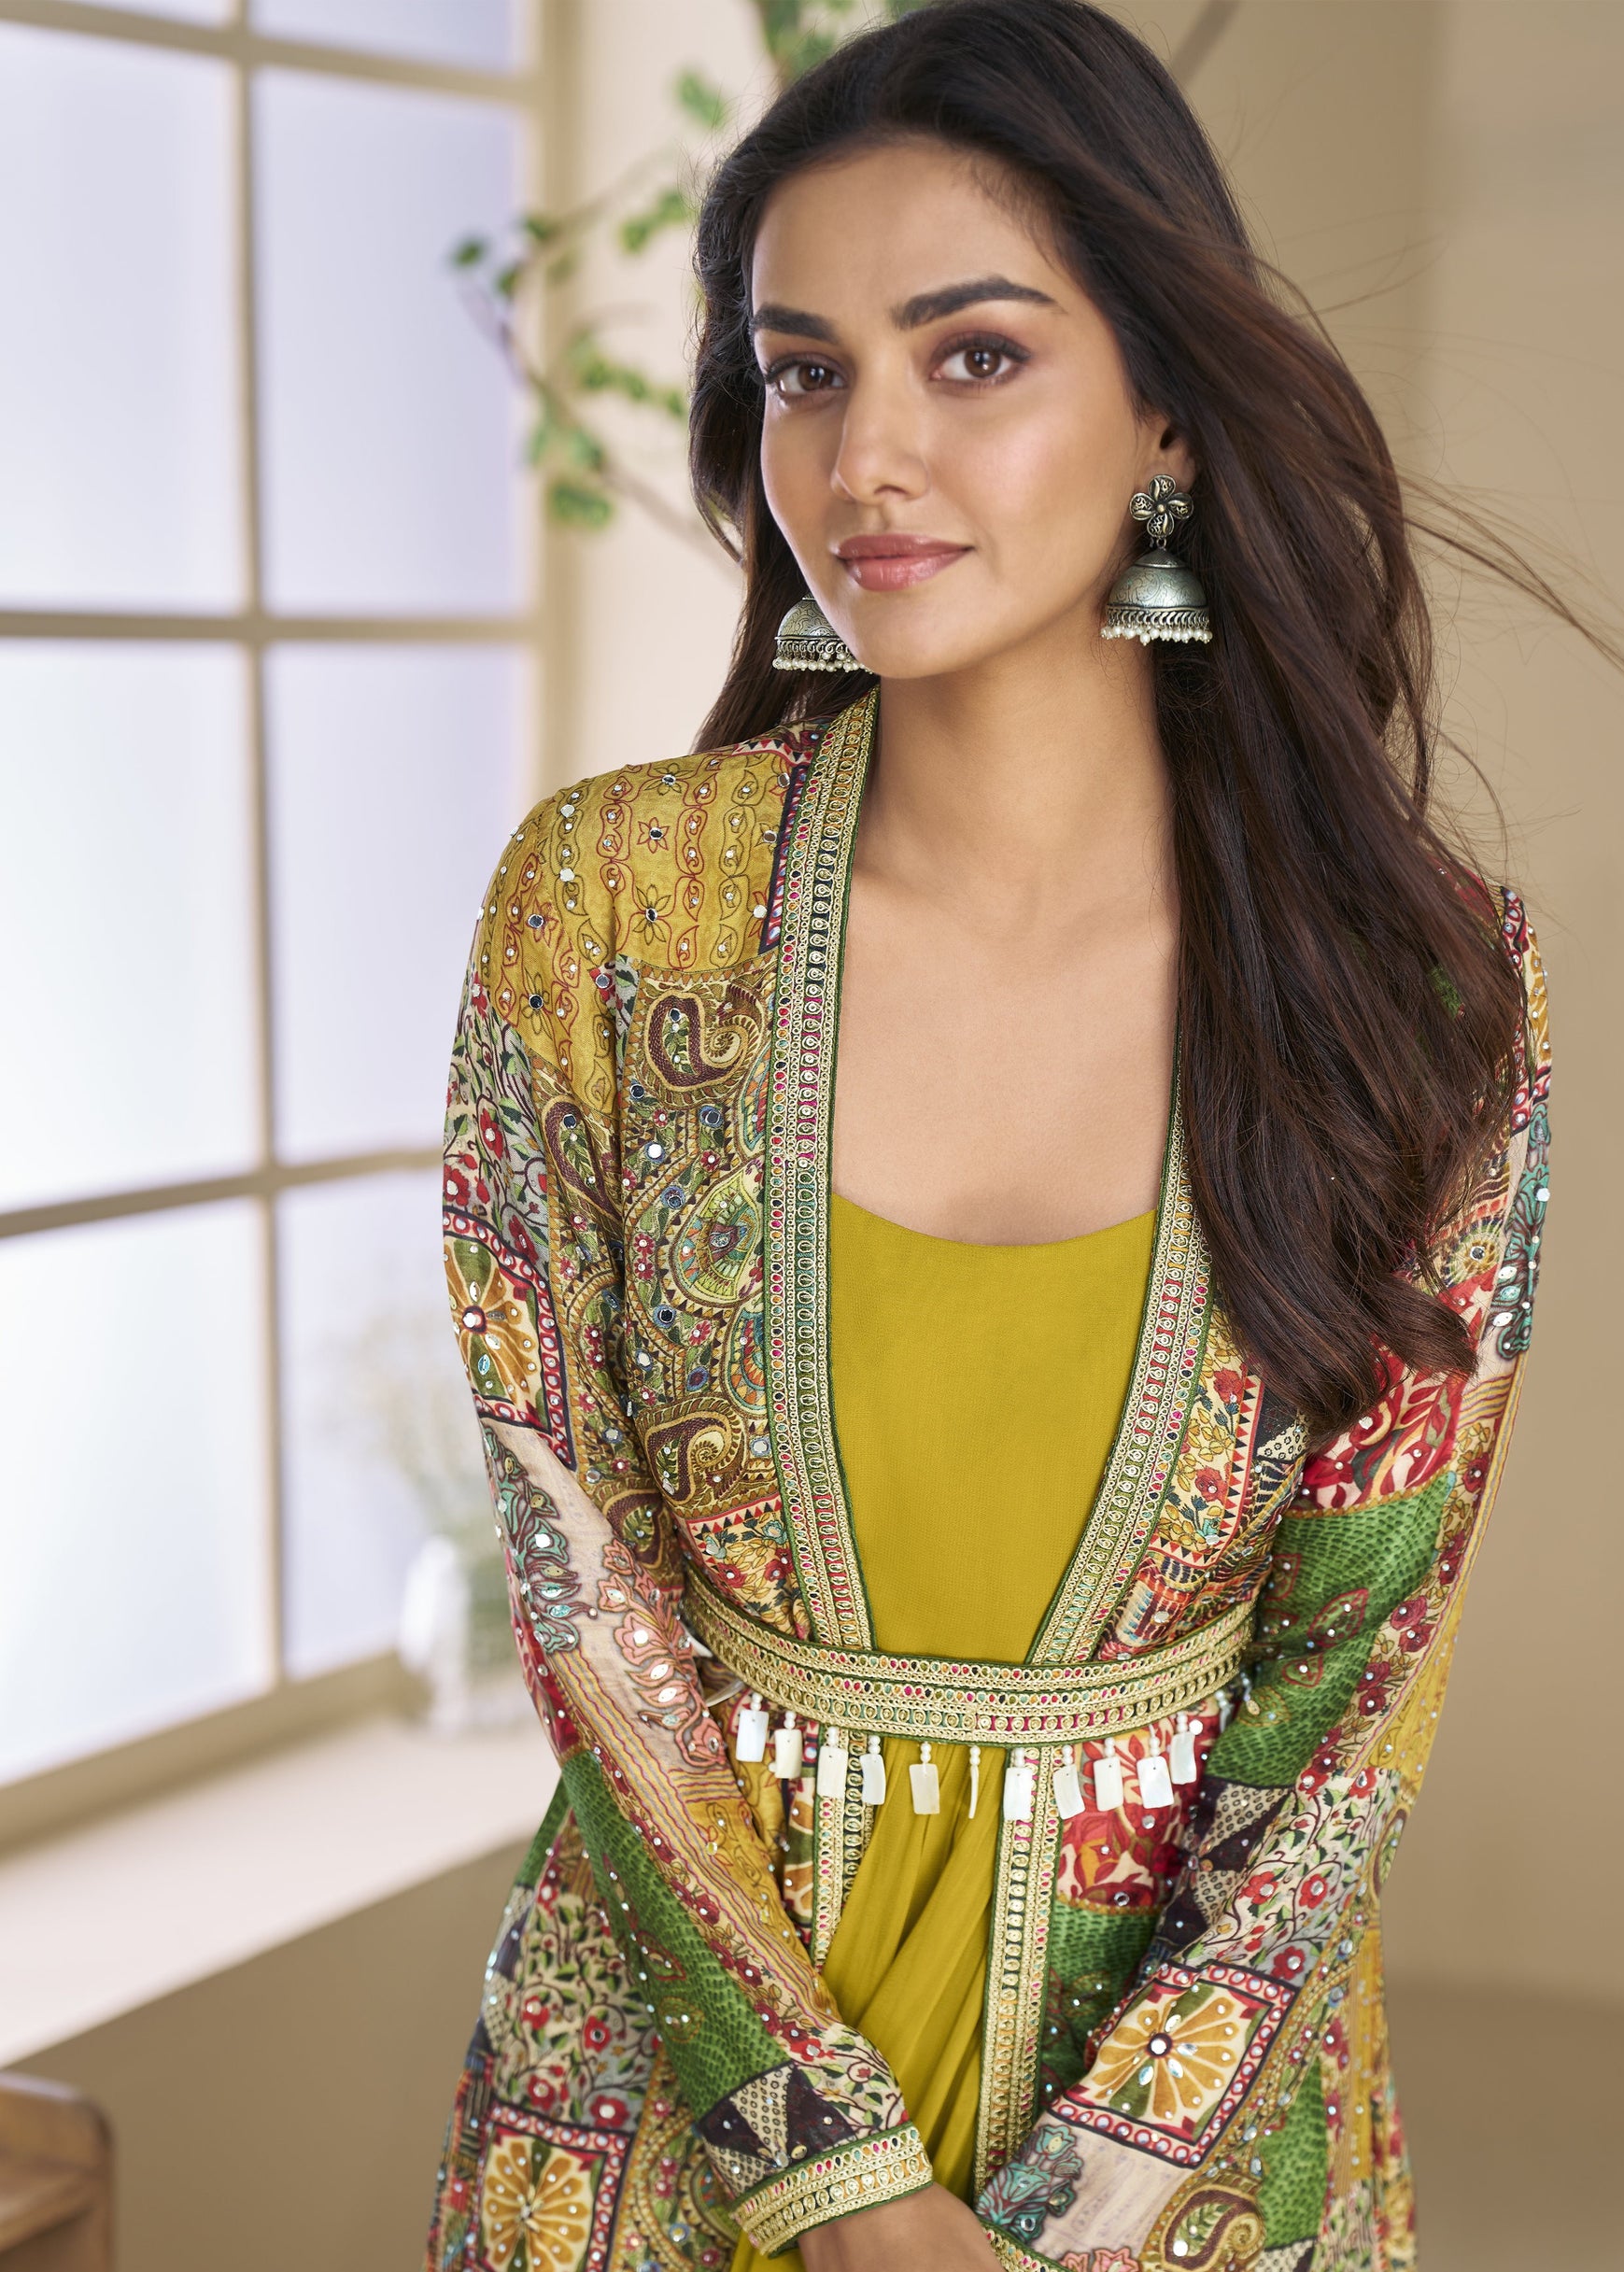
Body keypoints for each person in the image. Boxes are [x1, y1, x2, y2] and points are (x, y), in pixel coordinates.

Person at [426, 6, 1555, 2268]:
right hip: (670, 2120)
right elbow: (583, 1574)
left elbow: (1353, 1706)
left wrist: (1083, 2208)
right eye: (804, 368)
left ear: (1160, 410)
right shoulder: (609, 912)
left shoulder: (1416, 982)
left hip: (1186, 2159)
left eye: (971, 359)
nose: (863, 457)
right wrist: (840, 2182)